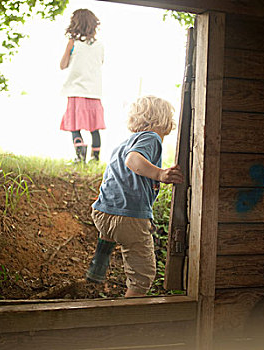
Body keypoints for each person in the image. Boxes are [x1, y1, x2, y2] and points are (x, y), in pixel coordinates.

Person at [86, 95, 184, 297]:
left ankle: (98, 266)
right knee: (142, 276)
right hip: (130, 218)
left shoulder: (123, 144)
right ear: (163, 121)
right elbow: (133, 160)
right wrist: (160, 174)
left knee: (112, 232)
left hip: (102, 213)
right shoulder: (151, 138)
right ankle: (128, 316)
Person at [59, 8, 105, 163]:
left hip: (76, 90)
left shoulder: (73, 43)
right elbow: (101, 62)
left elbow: (63, 65)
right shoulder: (99, 45)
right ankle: (95, 157)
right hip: (94, 91)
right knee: (94, 126)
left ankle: (80, 155)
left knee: (74, 125)